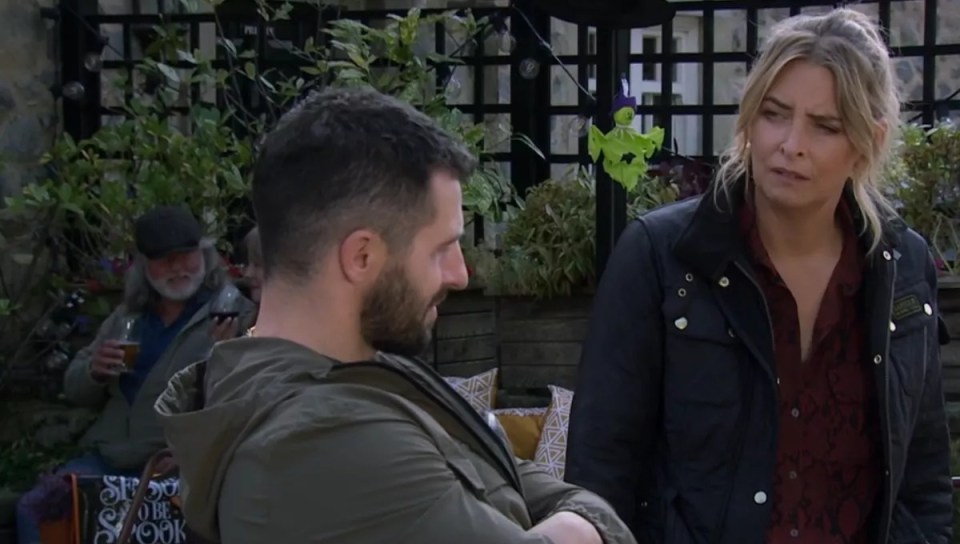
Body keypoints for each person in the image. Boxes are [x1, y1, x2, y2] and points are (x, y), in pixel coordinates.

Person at [154, 85, 635, 544]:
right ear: (361, 257)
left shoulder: (363, 377)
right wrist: (581, 523)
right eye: (441, 248)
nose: (461, 274)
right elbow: (558, 496)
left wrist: (575, 517)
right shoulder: (323, 438)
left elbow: (518, 475)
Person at [564, 8, 953, 544]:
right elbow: (599, 474)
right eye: (774, 114)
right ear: (749, 118)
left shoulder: (901, 269)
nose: (791, 144)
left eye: (824, 126)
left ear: (866, 142)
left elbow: (922, 481)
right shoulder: (661, 257)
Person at [15, 205, 255, 544]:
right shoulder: (127, 317)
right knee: (34, 510)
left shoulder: (231, 317)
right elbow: (75, 389)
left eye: (185, 255)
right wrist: (94, 371)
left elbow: (246, 402)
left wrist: (226, 355)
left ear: (204, 255)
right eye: (162, 259)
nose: (176, 267)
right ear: (144, 266)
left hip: (172, 466)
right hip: (106, 458)